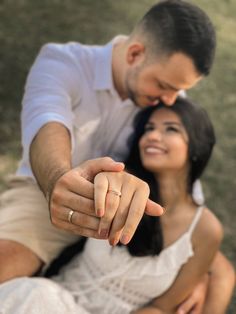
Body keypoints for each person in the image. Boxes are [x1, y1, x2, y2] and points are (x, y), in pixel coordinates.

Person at [0, 0, 216, 283]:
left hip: (130, 213)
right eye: (164, 86)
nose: (171, 101)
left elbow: (184, 182)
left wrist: (201, 271)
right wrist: (57, 181)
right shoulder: (64, 62)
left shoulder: (168, 100)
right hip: (44, 194)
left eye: (179, 91)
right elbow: (47, 121)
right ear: (135, 53)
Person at [0, 97, 234, 314]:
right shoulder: (121, 179)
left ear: (196, 146)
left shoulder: (206, 229)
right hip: (55, 302)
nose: (152, 136)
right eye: (149, 129)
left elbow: (162, 307)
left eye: (170, 129)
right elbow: (109, 180)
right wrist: (108, 179)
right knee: (36, 295)